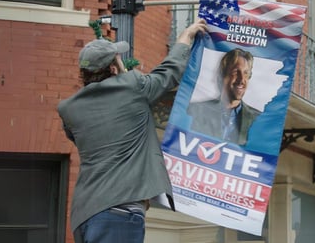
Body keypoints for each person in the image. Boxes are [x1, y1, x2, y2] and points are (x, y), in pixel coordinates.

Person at [57, 19, 207, 243]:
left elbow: (79, 138)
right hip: (119, 211)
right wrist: (186, 35)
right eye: (118, 57)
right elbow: (170, 71)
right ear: (113, 68)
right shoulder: (132, 86)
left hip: (84, 214)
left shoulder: (69, 109)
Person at [187, 48, 261, 145]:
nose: (242, 80)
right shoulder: (196, 110)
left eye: (246, 73)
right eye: (236, 72)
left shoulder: (259, 119)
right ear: (222, 76)